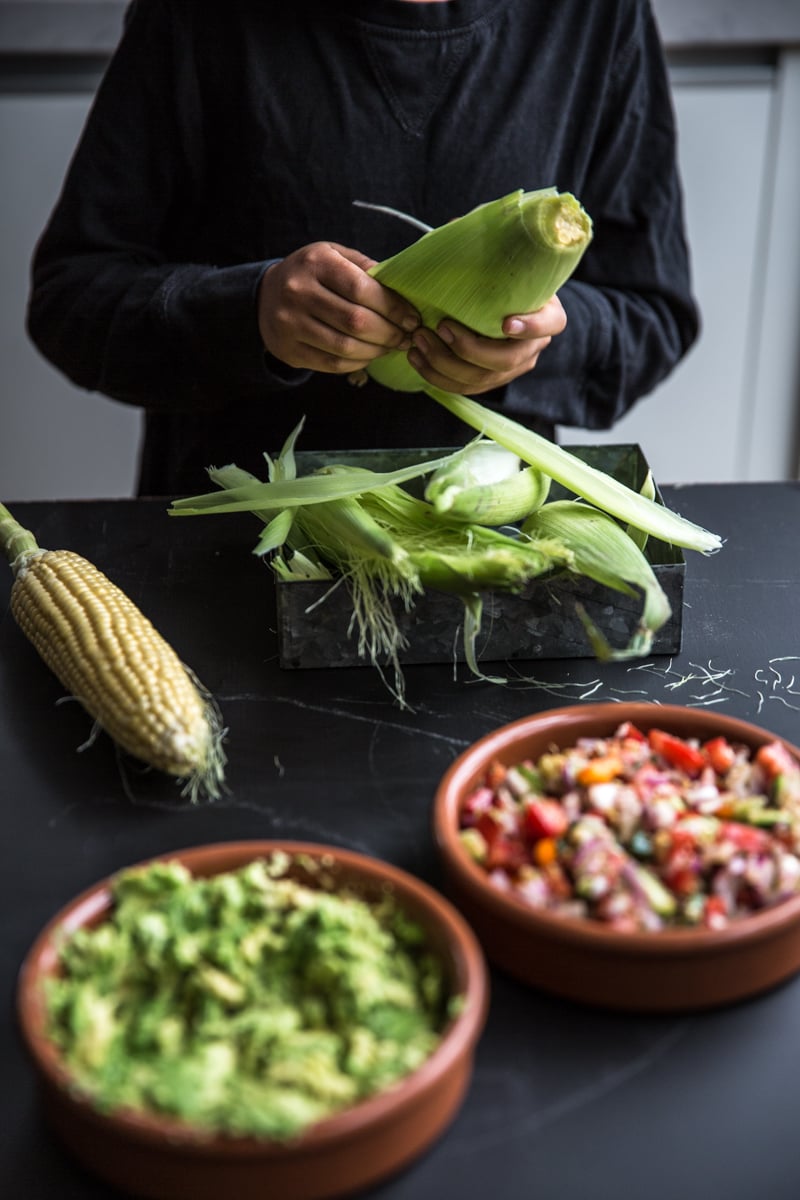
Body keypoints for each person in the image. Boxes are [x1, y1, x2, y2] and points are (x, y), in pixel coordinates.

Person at [26, 0, 699, 497]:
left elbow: (652, 313)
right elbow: (72, 299)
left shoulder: (597, 19)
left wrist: (542, 341)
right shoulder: (195, 19)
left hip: (489, 538)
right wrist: (247, 312)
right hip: (231, 536)